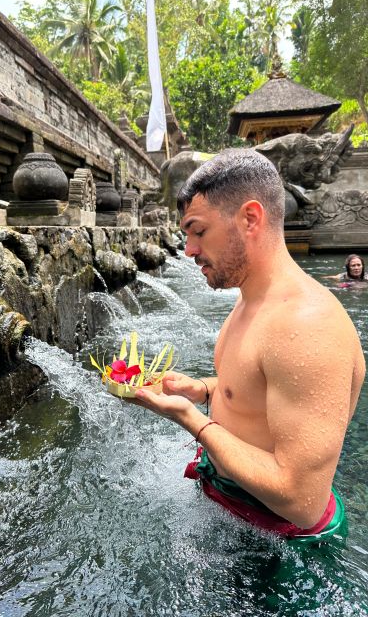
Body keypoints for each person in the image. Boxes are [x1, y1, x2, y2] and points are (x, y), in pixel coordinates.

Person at [135, 149, 365, 540]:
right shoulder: (252, 300)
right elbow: (256, 389)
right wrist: (202, 389)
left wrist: (190, 419)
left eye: (198, 231)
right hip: (234, 509)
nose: (188, 250)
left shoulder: (306, 326)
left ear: (250, 218)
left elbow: (303, 503)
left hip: (283, 550)